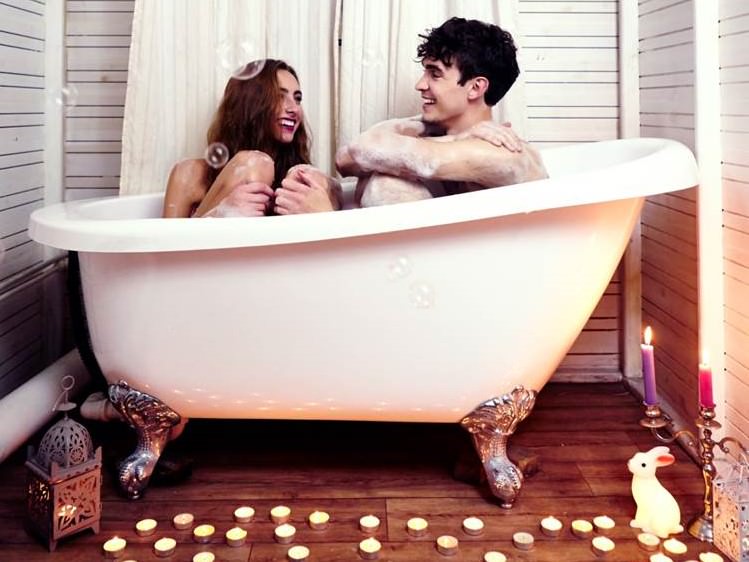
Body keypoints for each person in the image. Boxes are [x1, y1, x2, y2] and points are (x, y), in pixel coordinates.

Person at [335, 17, 547, 206]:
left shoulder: (504, 152)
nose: (420, 84)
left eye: (435, 74)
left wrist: (455, 140)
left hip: (490, 249)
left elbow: (366, 150)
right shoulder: (435, 135)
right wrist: (456, 137)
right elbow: (345, 160)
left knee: (388, 184)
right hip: (433, 248)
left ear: (475, 88)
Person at [163, 59, 341, 218]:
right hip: (213, 255)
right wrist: (219, 212)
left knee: (315, 180)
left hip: (274, 256)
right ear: (251, 103)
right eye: (280, 96)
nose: (294, 109)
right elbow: (164, 251)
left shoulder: (299, 182)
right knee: (254, 163)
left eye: (297, 99)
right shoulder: (188, 175)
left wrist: (323, 213)